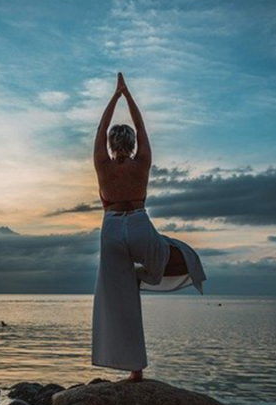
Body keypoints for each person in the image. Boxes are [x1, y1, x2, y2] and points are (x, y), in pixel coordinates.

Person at [91, 72, 207, 382]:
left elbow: (101, 129)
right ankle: (149, 275)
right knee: (166, 254)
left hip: (113, 227)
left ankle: (133, 367)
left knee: (119, 298)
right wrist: (128, 96)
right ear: (130, 143)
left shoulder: (102, 165)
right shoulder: (142, 163)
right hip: (139, 224)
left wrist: (113, 97)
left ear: (112, 145)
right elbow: (141, 128)